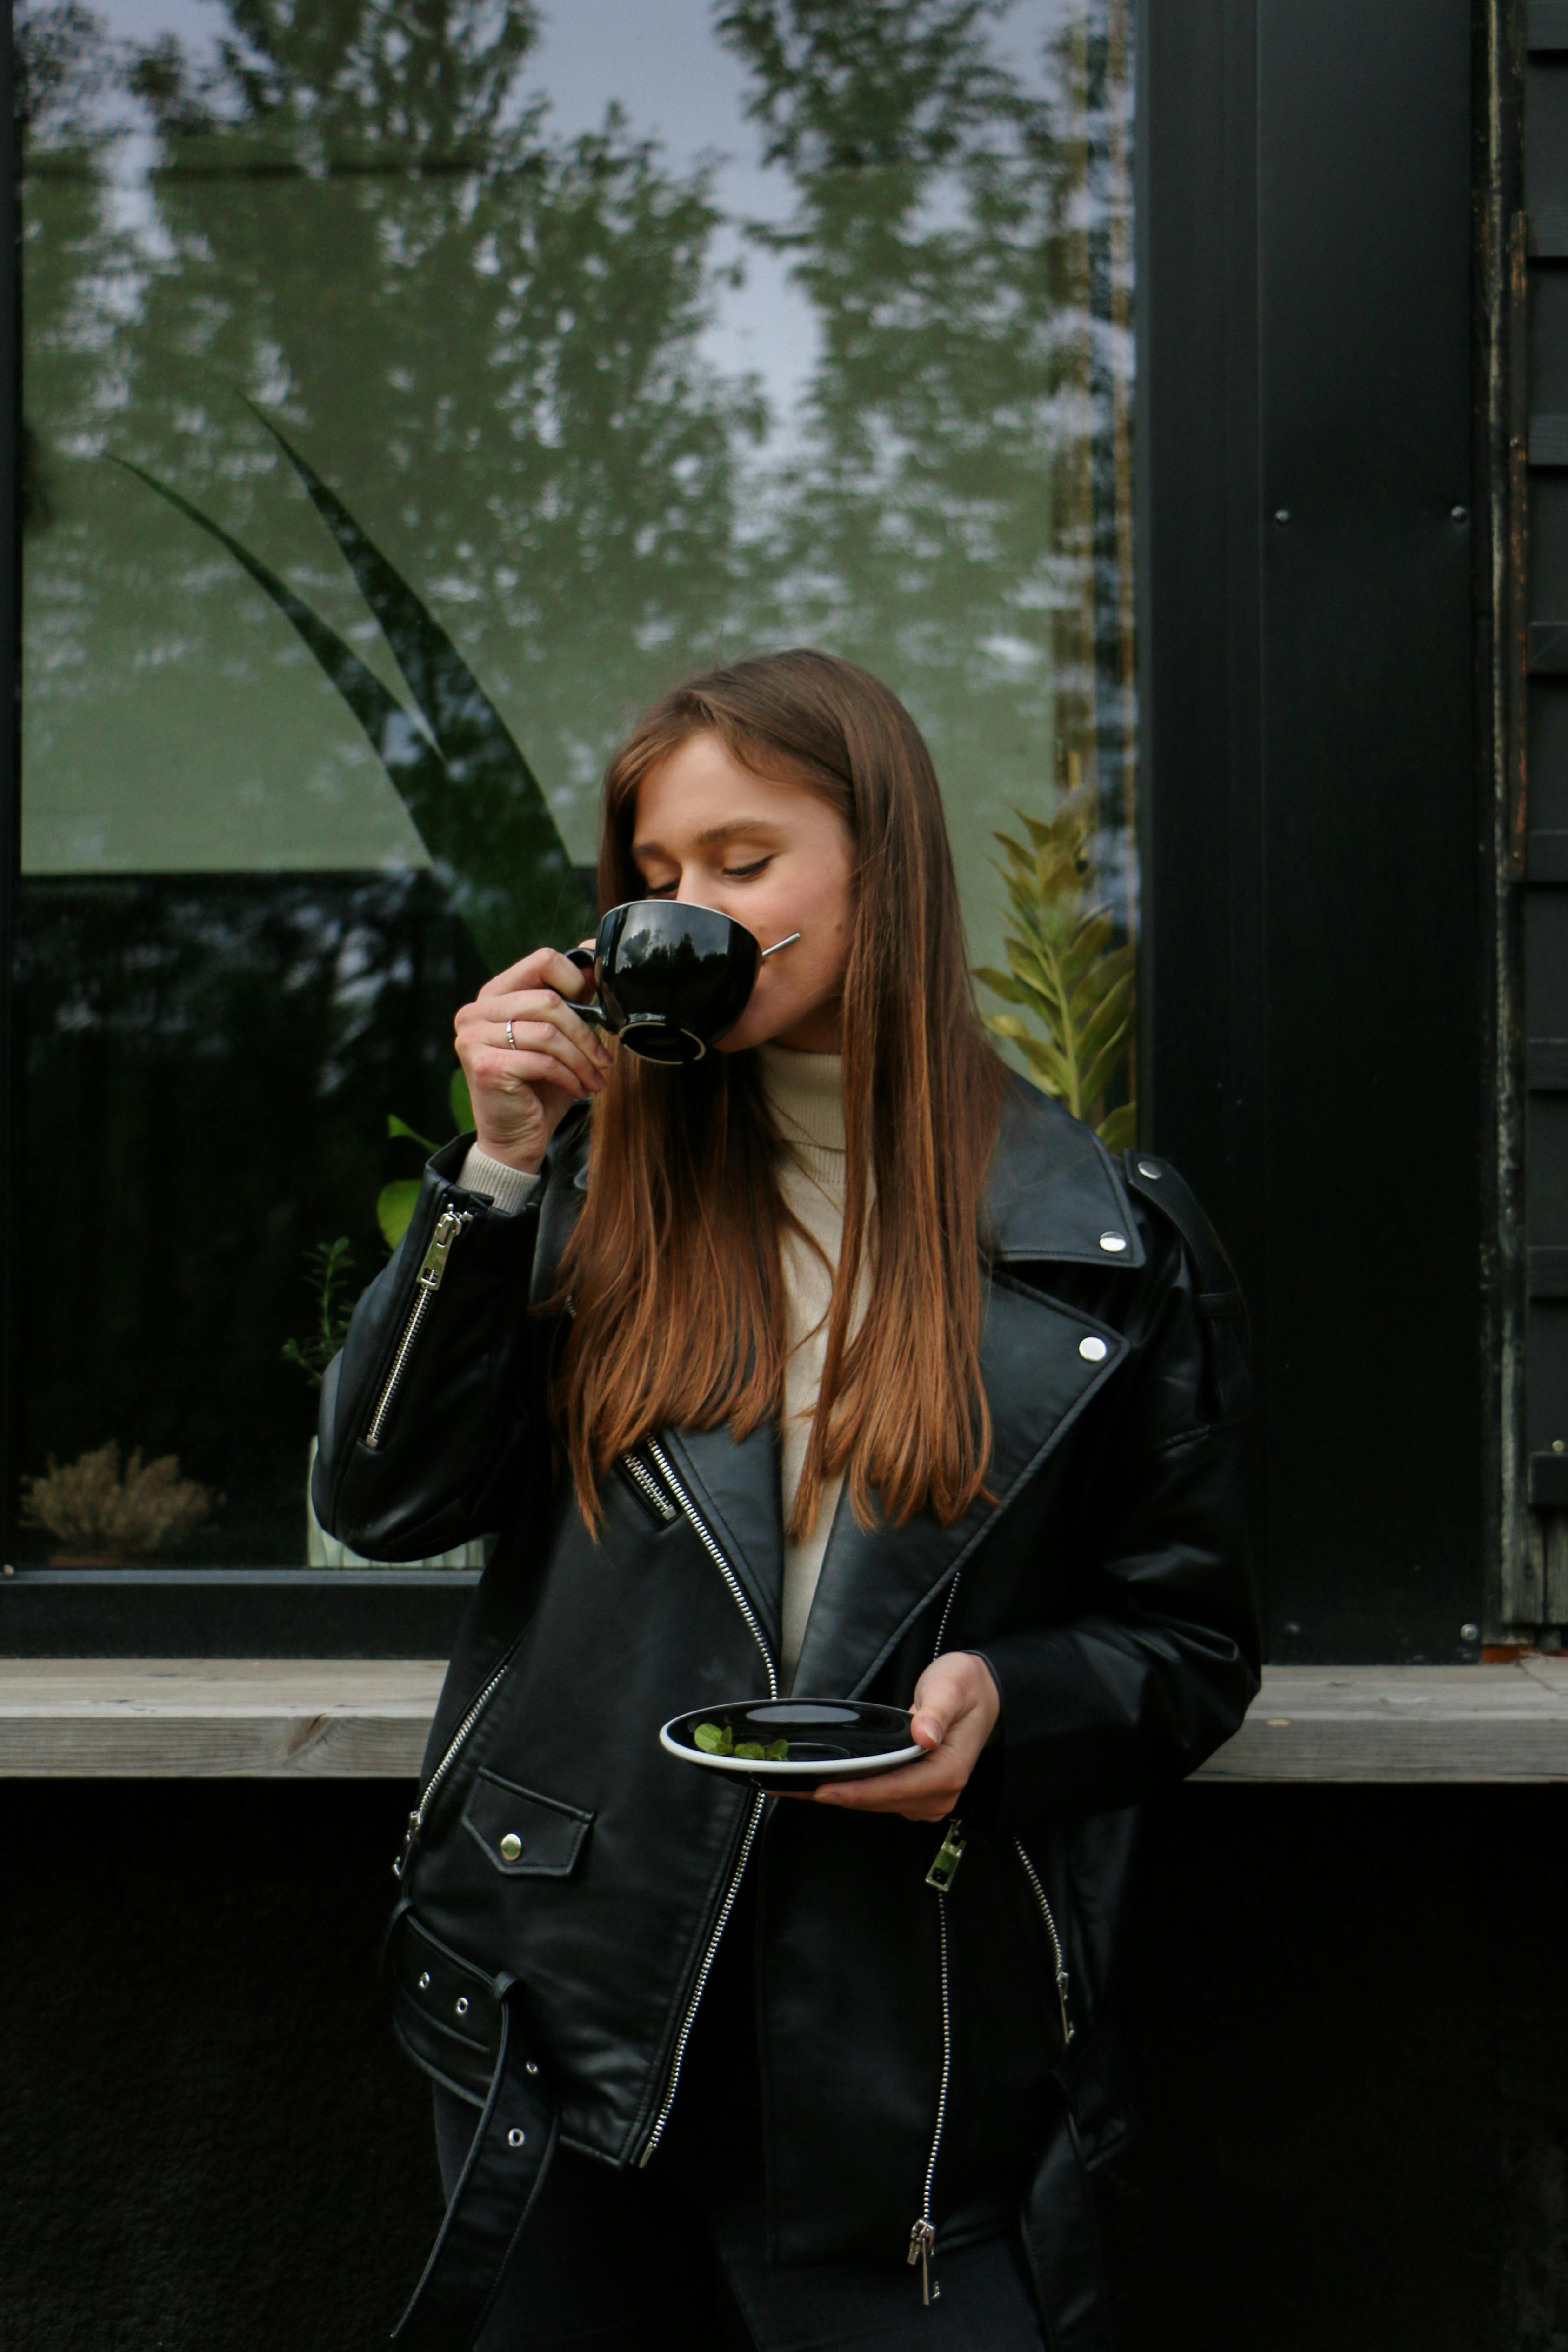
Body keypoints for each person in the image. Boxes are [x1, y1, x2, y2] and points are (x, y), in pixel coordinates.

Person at [314, 648, 1259, 2352]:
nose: (687, 911)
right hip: (562, 2012)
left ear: (880, 875)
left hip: (912, 2047)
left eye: (742, 866)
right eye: (656, 880)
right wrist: (497, 1168)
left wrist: (1007, 1707)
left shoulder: (1102, 1244)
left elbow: (1185, 1639)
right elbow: (384, 1498)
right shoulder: (585, 1203)